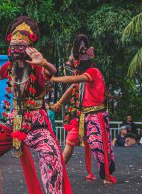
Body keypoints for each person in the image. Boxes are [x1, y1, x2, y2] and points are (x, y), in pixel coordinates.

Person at [0, 16, 78, 194]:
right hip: (14, 120)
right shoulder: (9, 68)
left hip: (36, 122)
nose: (16, 49)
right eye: (13, 45)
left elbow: (52, 73)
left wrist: (45, 63)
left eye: (21, 45)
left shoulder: (37, 67)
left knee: (50, 156)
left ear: (29, 47)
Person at [50, 34, 117, 184]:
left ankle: (106, 175)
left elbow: (73, 80)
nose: (73, 64)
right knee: (69, 142)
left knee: (98, 145)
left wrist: (54, 79)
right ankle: (57, 170)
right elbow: (73, 86)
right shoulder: (82, 74)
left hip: (96, 116)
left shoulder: (92, 72)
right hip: (82, 117)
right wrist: (59, 103)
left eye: (75, 62)